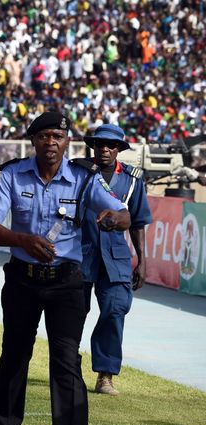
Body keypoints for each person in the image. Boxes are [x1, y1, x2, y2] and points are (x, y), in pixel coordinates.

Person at [0, 112, 132, 425]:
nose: (51, 142)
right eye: (44, 136)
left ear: (67, 143)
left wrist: (112, 217)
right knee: (14, 357)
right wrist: (20, 239)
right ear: (33, 140)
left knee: (66, 363)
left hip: (66, 283)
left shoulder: (85, 178)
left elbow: (122, 213)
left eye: (58, 137)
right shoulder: (12, 175)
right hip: (22, 279)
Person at [80, 124, 152, 396]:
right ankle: (68, 366)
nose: (105, 149)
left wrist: (142, 261)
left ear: (120, 149)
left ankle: (105, 375)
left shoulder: (133, 180)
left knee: (115, 310)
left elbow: (138, 223)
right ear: (93, 146)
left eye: (111, 145)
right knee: (72, 313)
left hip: (116, 257)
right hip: (81, 253)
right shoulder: (79, 172)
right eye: (100, 144)